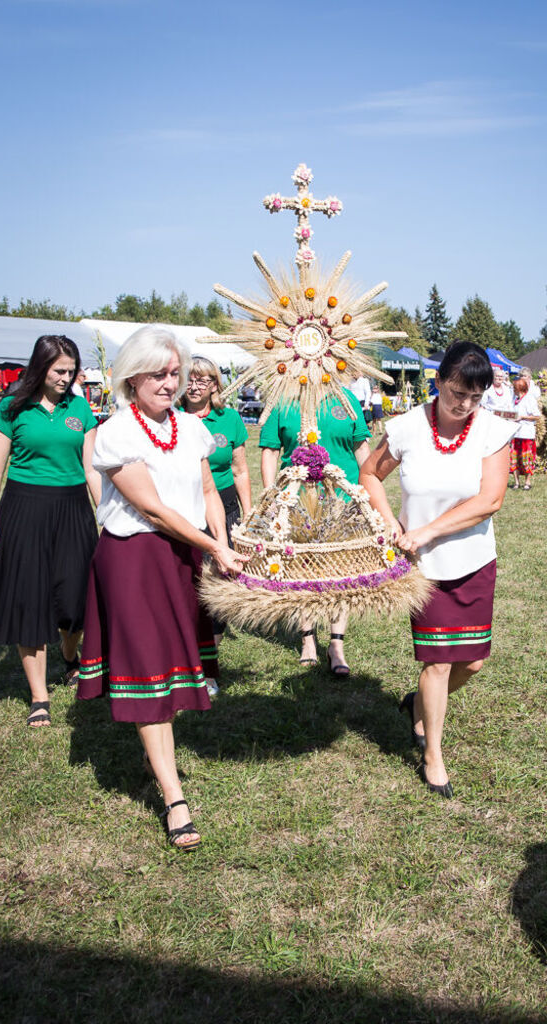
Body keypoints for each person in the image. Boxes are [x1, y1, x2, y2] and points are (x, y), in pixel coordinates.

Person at [76, 326, 246, 851]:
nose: (171, 383)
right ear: (132, 375)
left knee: (171, 668)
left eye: (176, 373)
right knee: (148, 671)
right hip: (133, 559)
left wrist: (222, 541)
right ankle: (174, 797)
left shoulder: (191, 430)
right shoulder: (116, 434)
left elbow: (208, 492)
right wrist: (213, 548)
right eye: (160, 374)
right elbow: (151, 508)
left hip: (184, 554)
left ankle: (163, 759)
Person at [359, 341, 515, 798]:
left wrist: (427, 531)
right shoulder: (407, 428)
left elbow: (490, 501)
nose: (464, 405)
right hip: (422, 569)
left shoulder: (492, 431)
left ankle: (415, 705)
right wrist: (393, 526)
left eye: (474, 397)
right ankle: (432, 755)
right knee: (438, 663)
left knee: (474, 660)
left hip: (473, 560)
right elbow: (369, 474)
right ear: (439, 381)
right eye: (456, 393)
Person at [0, 335, 100, 727]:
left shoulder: (81, 409)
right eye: (59, 371)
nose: (67, 378)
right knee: (30, 600)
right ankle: (39, 696)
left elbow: (92, 469)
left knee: (75, 603)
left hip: (73, 510)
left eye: (71, 371)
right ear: (40, 367)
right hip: (24, 509)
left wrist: (107, 515)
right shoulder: (13, 407)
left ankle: (70, 656)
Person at [259, 387, 371, 673]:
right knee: (303, 571)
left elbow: (361, 448)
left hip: (343, 501)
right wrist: (271, 495)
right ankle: (308, 639)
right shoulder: (283, 400)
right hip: (296, 500)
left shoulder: (346, 398)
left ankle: (336, 645)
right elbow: (271, 451)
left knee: (341, 572)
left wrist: (368, 494)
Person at [179, 355, 252, 695]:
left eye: (202, 379)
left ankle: (208, 665)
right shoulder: (171, 418)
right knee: (186, 579)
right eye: (189, 379)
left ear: (215, 386)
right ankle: (184, 658)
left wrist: (249, 514)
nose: (194, 385)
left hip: (223, 504)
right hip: (181, 505)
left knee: (220, 582)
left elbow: (239, 470)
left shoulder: (230, 419)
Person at [509, 378, 541, 489]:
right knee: (514, 457)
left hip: (526, 433)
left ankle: (527, 482)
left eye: (514, 387)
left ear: (519, 388)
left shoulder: (529, 399)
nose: (512, 389)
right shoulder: (514, 399)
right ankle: (516, 482)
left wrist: (523, 417)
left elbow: (536, 416)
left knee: (526, 458)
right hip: (515, 433)